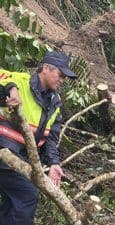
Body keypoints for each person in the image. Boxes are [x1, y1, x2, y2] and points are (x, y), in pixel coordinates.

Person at [0, 51, 77, 225]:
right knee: (27, 196)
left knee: (14, 202)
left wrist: (54, 164)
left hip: (20, 158)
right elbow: (3, 77)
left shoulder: (54, 104)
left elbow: (50, 140)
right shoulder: (20, 81)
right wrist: (11, 89)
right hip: (4, 151)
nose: (62, 79)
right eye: (60, 74)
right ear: (46, 68)